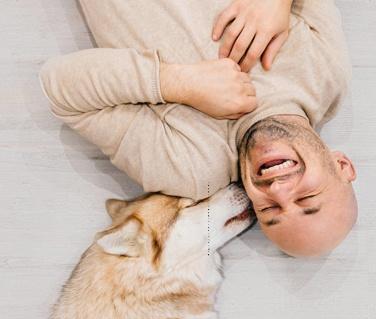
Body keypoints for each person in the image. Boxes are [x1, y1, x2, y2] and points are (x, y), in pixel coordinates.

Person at [40, 0, 357, 257]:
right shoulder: (327, 76)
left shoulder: (189, 167)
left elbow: (59, 88)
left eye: (269, 209)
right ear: (341, 165)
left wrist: (176, 83)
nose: (278, 189)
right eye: (306, 199)